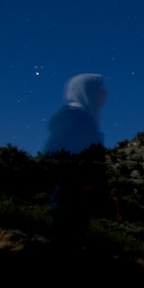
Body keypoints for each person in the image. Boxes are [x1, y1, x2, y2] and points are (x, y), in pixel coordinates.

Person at [42, 73, 110, 255]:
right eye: (100, 90)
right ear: (87, 92)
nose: (105, 93)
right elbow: (55, 154)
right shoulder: (74, 119)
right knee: (65, 248)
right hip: (68, 199)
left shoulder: (84, 119)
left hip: (76, 199)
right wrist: (81, 180)